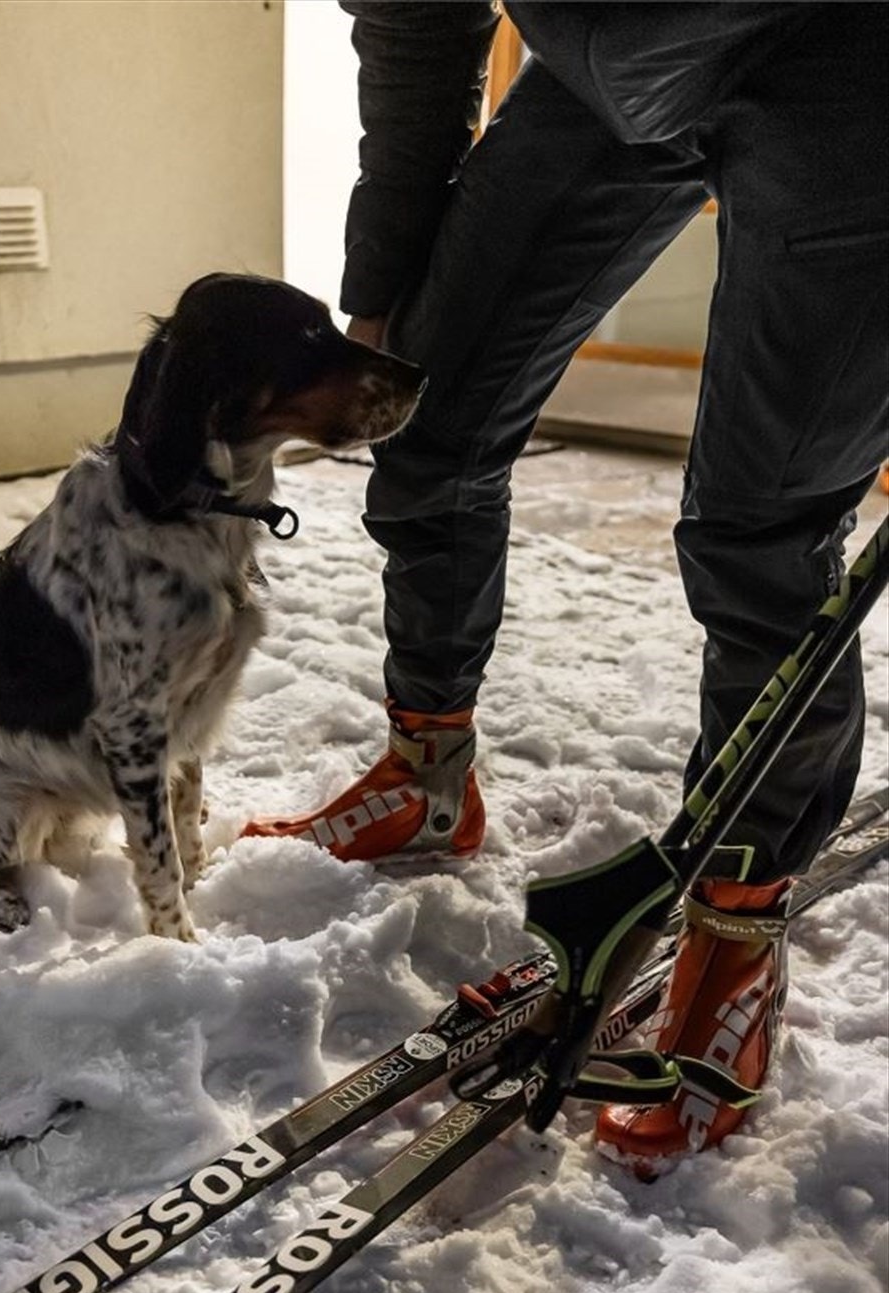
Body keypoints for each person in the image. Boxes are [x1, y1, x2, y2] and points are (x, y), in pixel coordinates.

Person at [245, 2, 889, 1176]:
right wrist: (382, 271)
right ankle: (428, 772)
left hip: (846, 56)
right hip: (611, 67)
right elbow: (410, 17)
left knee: (759, 526)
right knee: (426, 407)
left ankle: (735, 935)